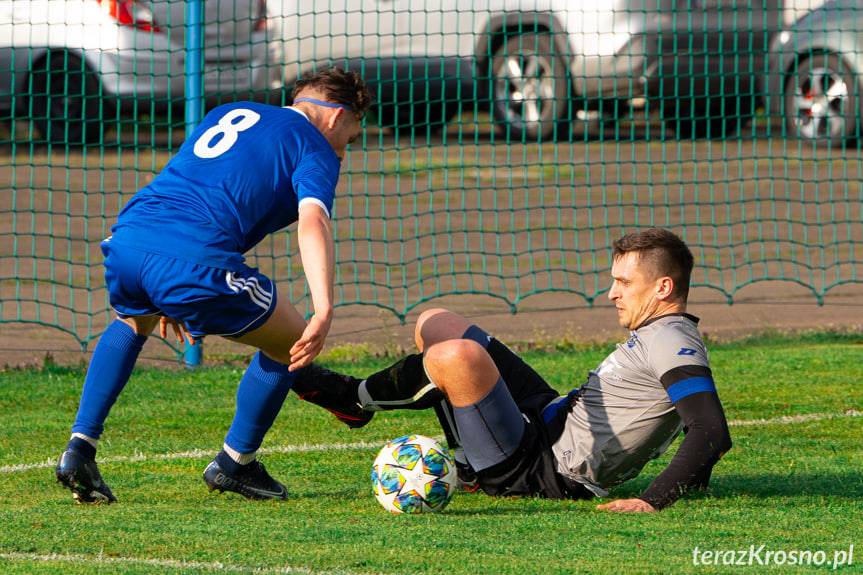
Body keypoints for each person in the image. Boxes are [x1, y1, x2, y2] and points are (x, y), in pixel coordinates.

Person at [55, 68, 373, 503]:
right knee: (293, 343)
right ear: (337, 117)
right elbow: (313, 222)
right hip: (193, 260)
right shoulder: (314, 147)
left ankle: (79, 448)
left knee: (132, 321)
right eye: (352, 139)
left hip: (130, 238)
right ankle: (234, 464)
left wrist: (163, 286)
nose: (346, 152)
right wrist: (325, 309)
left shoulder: (230, 110)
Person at [293, 228, 733, 511]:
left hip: (544, 469)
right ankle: (467, 464)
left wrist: (653, 500)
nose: (611, 294)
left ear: (663, 287)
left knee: (458, 356)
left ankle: (354, 400)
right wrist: (697, 483)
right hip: (548, 418)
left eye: (623, 283)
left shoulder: (673, 340)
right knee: (437, 322)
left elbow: (710, 429)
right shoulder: (664, 333)